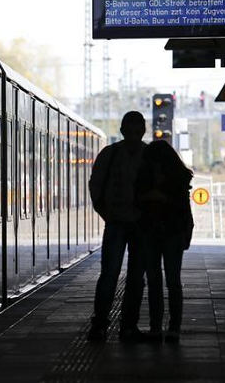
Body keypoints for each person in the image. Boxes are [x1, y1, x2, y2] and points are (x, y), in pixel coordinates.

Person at [88, 111, 147, 342]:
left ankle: (110, 325)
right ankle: (122, 327)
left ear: (142, 131)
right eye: (129, 132)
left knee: (117, 275)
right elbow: (96, 186)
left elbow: (96, 185)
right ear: (122, 131)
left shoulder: (110, 155)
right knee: (123, 276)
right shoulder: (136, 155)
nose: (133, 137)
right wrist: (107, 214)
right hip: (123, 224)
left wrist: (106, 213)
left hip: (126, 225)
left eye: (136, 132)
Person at [134, 140, 194, 343]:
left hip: (163, 232)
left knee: (161, 281)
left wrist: (160, 198)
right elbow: (184, 209)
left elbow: (181, 207)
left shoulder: (169, 178)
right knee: (168, 281)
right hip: (166, 232)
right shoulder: (177, 176)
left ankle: (162, 328)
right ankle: (166, 328)